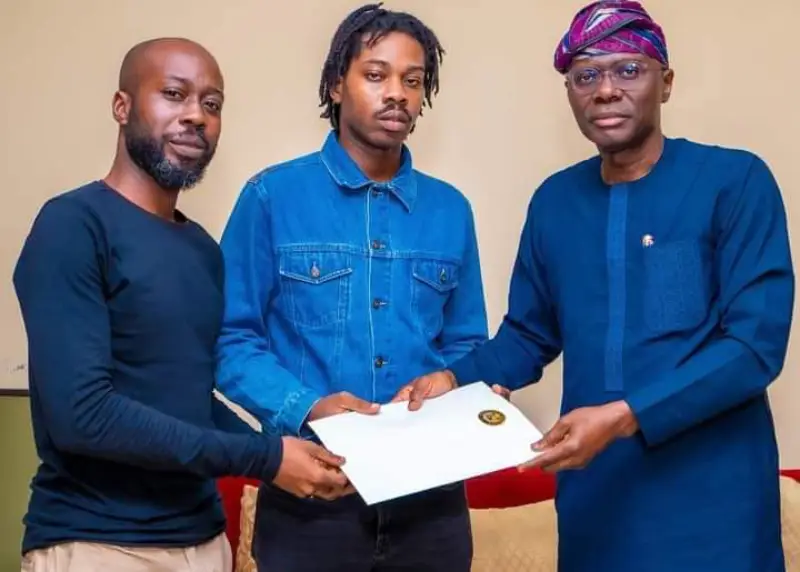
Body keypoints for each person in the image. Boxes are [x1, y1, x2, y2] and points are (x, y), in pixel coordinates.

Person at [397, 2, 795, 571]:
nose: (606, 89)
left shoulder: (734, 182)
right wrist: (454, 378)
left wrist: (623, 415)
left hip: (715, 504)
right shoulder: (555, 202)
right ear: (570, 92)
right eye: (586, 75)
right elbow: (528, 336)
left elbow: (754, 349)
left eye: (629, 69)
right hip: (597, 501)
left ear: (667, 82)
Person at [13, 37, 350, 572]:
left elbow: (190, 400)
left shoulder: (201, 250)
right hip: (101, 544)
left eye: (212, 104)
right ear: (122, 107)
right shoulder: (72, 226)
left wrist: (292, 455)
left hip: (204, 542)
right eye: (174, 94)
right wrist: (264, 456)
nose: (196, 115)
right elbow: (82, 415)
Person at [214, 3, 488, 571]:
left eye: (413, 81)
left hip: (431, 507)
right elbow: (228, 338)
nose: (397, 94)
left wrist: (457, 382)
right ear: (337, 85)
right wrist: (307, 405)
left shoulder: (451, 210)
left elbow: (466, 346)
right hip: (311, 497)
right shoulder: (271, 197)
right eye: (376, 74)